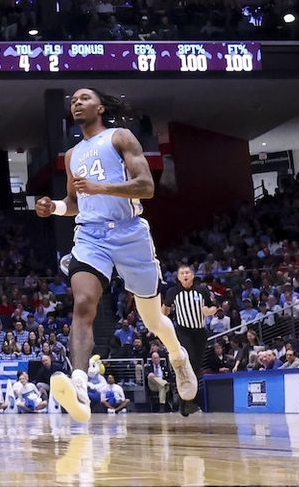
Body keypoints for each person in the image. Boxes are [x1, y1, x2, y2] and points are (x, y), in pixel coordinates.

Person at [34, 88, 198, 422]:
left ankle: (178, 356)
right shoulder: (72, 155)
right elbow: (75, 203)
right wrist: (55, 206)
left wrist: (102, 187)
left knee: (152, 320)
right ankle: (79, 383)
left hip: (129, 233)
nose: (76, 103)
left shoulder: (120, 137)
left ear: (101, 106)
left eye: (83, 98)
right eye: (73, 100)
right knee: (82, 305)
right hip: (91, 235)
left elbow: (146, 187)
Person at [162, 264, 216, 381]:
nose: (185, 275)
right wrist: (159, 324)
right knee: (189, 357)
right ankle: (185, 383)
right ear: (178, 277)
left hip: (200, 331)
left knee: (197, 362)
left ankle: (192, 392)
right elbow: (165, 309)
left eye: (187, 273)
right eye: (182, 273)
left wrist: (208, 311)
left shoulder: (202, 290)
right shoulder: (173, 291)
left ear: (192, 275)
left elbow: (214, 308)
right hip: (183, 330)